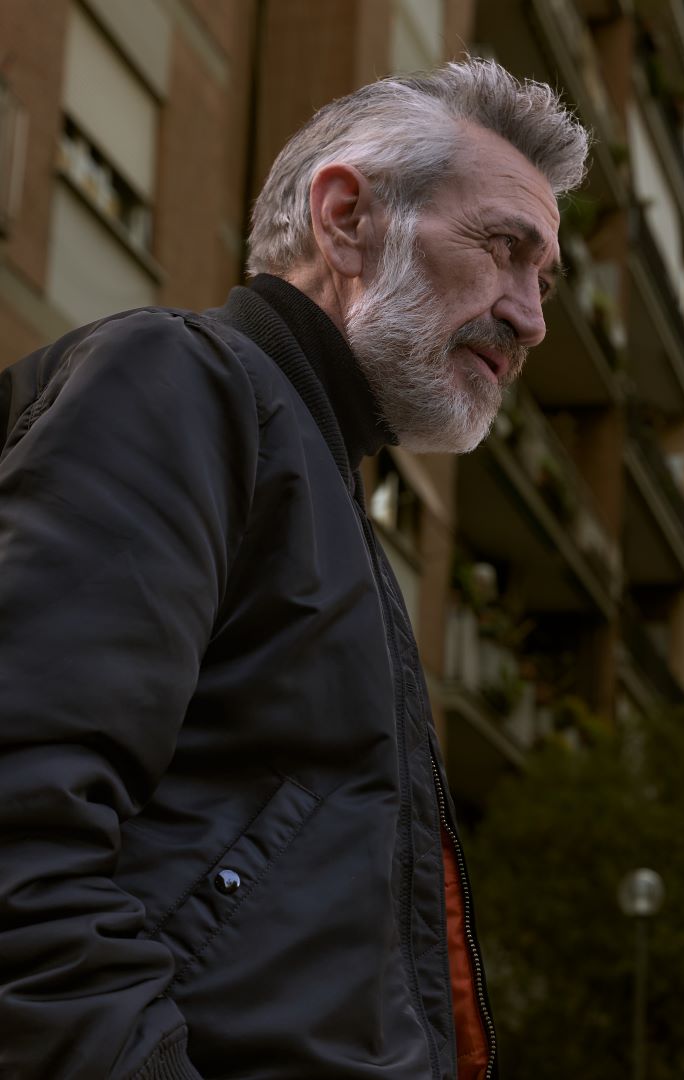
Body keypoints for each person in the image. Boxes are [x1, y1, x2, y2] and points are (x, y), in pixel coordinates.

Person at [0, 59, 588, 1078]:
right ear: (346, 219)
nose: (532, 315)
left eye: (544, 279)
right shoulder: (185, 385)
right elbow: (21, 829)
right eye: (504, 249)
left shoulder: (322, 488)